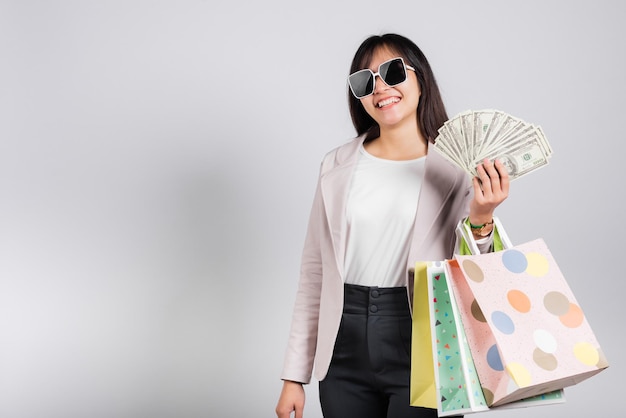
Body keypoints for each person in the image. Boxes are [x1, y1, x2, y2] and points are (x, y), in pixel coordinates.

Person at [275, 33, 510, 418]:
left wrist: (482, 218)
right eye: (365, 81)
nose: (380, 87)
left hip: (426, 332)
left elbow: (478, 277)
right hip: (342, 341)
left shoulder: (457, 168)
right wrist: (293, 376)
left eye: (392, 71)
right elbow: (315, 272)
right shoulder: (336, 165)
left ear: (421, 80)